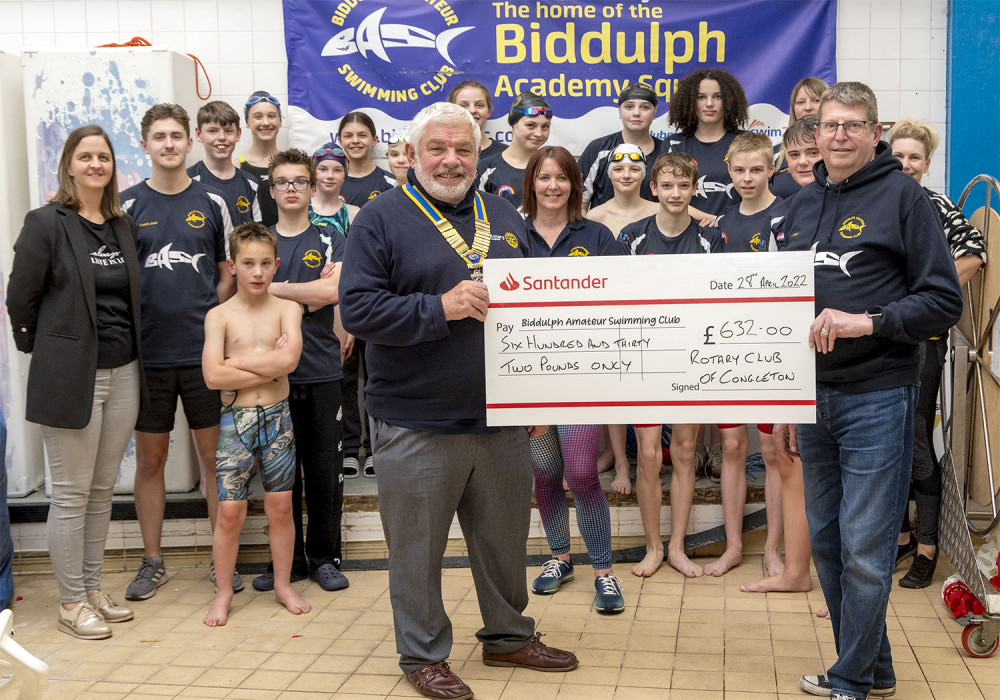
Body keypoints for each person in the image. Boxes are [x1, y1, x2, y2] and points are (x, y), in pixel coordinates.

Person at [340, 101, 578, 700]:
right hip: (416, 418)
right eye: (438, 149)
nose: (451, 160)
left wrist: (534, 401)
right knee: (417, 548)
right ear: (414, 154)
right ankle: (423, 654)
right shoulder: (380, 219)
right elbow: (358, 310)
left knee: (503, 539)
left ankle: (507, 636)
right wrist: (437, 308)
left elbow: (532, 316)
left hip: (499, 415)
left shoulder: (501, 212)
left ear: (480, 152)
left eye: (463, 149)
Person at [773, 82, 963, 700]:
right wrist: (778, 397)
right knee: (828, 542)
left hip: (878, 395)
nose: (841, 136)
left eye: (855, 125)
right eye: (831, 125)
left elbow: (943, 301)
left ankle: (850, 678)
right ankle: (875, 670)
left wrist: (869, 321)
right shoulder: (801, 206)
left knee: (865, 546)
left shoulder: (905, 198)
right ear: (815, 132)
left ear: (874, 133)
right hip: (810, 398)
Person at [7, 125, 143, 639]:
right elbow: (20, 297)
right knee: (70, 494)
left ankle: (90, 588)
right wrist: (47, 352)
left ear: (112, 166)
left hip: (125, 371)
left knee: (102, 491)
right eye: (85, 156)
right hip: (71, 376)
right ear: (68, 165)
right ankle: (69, 604)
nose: (95, 164)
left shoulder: (121, 224)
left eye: (103, 157)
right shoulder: (46, 223)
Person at [121, 104, 235, 601]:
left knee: (214, 460)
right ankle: (153, 561)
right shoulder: (124, 207)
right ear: (144, 145)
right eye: (158, 137)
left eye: (176, 136)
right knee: (151, 460)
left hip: (204, 355)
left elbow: (227, 270)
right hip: (148, 358)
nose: (168, 144)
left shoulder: (212, 202)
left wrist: (214, 317)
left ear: (190, 143)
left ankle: (219, 559)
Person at [520, 146, 625, 614]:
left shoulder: (597, 235)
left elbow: (626, 300)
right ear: (532, 183)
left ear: (575, 184)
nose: (553, 186)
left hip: (584, 375)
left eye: (562, 178)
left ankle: (603, 569)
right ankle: (559, 557)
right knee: (544, 472)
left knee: (581, 472)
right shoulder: (511, 235)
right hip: (531, 379)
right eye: (544, 177)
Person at [888, 119, 986, 588]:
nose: (905, 164)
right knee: (893, 441)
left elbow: (973, 253)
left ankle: (928, 548)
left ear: (927, 165)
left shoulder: (936, 204)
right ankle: (905, 537)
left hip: (921, 341)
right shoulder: (878, 197)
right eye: (898, 155)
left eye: (914, 157)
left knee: (916, 441)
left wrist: (928, 301)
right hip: (880, 339)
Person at [619, 152, 723, 578]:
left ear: (694, 189)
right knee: (647, 455)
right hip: (645, 356)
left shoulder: (711, 240)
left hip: (690, 357)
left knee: (683, 451)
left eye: (684, 186)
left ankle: (677, 547)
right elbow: (619, 298)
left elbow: (720, 299)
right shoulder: (631, 237)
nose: (676, 193)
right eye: (667, 186)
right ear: (653, 189)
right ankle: (653, 547)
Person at [251, 148, 349, 593]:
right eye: (282, 182)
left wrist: (275, 289)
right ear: (271, 191)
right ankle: (284, 561)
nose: (291, 189)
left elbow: (333, 292)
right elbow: (248, 295)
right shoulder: (258, 242)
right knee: (280, 474)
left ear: (313, 189)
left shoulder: (330, 237)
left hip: (322, 370)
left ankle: (324, 557)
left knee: (325, 469)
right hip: (270, 376)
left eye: (299, 181)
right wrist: (304, 293)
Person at [202, 223, 309, 626]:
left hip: (278, 420)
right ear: (232, 266)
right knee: (230, 512)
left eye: (266, 263)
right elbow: (212, 378)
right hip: (235, 422)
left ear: (276, 264)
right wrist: (265, 368)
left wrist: (233, 364)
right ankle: (225, 590)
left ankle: (283, 584)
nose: (258, 272)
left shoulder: (288, 308)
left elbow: (289, 363)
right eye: (248, 264)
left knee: (281, 505)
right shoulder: (219, 316)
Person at [585, 144, 659, 495]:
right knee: (612, 392)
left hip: (651, 313)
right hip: (609, 313)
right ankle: (620, 461)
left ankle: (645, 457)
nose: (626, 175)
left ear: (645, 173)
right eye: (618, 169)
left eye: (634, 168)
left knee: (644, 393)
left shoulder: (662, 209)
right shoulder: (593, 217)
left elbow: (702, 219)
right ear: (609, 174)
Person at [666, 68, 749, 219]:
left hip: (737, 235)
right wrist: (710, 219)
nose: (709, 104)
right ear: (690, 101)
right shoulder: (674, 145)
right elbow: (664, 198)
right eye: (701, 97)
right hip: (686, 236)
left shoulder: (746, 142)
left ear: (730, 100)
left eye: (717, 97)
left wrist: (726, 223)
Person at [579, 82, 667, 210]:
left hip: (652, 229)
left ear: (655, 113)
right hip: (604, 229)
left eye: (645, 107)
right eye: (629, 106)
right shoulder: (598, 149)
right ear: (620, 112)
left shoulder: (667, 152)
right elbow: (580, 203)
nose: (636, 113)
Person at [188, 101, 262, 226]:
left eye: (228, 131)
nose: (221, 137)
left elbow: (257, 232)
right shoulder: (188, 180)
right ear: (199, 134)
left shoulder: (250, 183)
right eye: (212, 131)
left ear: (238, 134)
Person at [478, 91, 552, 209]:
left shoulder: (554, 168)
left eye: (545, 127)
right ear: (513, 124)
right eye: (530, 125)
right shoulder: (485, 169)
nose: (538, 133)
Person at [772, 79, 828, 198]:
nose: (808, 107)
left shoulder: (840, 150)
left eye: (816, 100)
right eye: (801, 102)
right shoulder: (774, 154)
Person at [237, 91, 282, 227]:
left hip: (288, 244)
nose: (266, 122)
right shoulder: (237, 167)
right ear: (247, 122)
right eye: (258, 117)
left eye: (272, 116)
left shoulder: (290, 164)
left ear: (280, 122)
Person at [338, 111, 395, 208]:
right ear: (340, 141)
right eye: (348, 136)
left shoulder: (390, 182)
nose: (355, 141)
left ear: (374, 140)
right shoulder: (331, 181)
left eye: (362, 135)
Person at [448, 80, 507, 161]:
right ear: (451, 111)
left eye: (479, 105)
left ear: (488, 111)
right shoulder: (444, 154)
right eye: (464, 105)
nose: (472, 110)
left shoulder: (506, 154)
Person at [309, 143, 359, 237]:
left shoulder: (353, 214)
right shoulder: (300, 208)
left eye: (337, 170)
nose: (330, 176)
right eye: (323, 169)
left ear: (345, 174)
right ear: (313, 172)